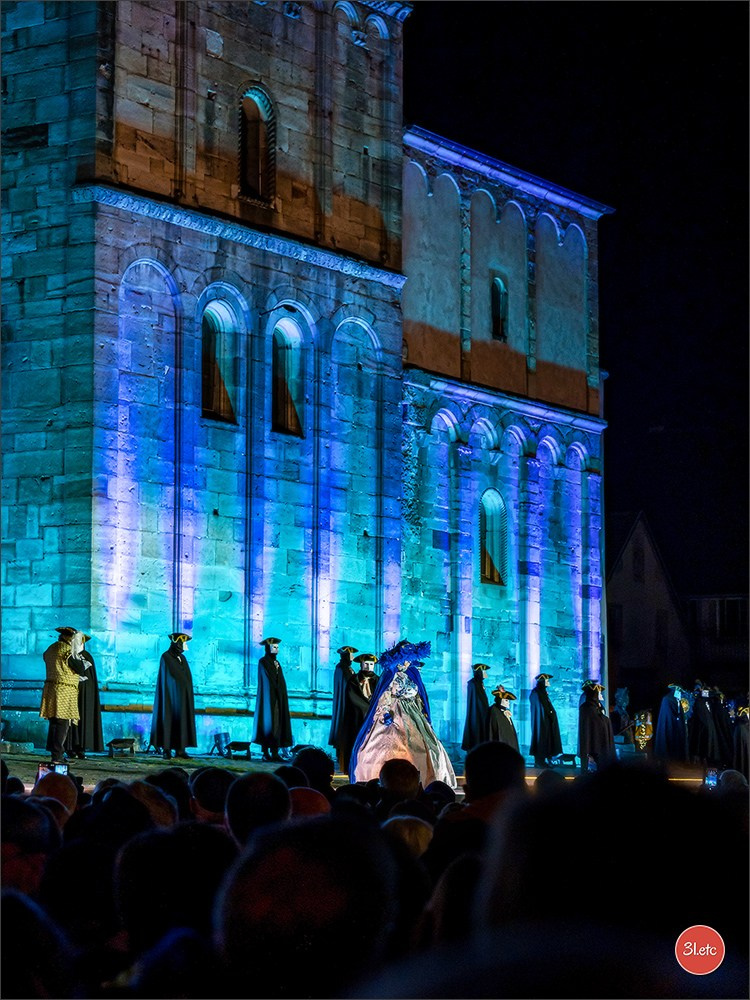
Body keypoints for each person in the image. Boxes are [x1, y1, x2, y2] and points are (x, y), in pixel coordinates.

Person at [349, 639, 457, 789]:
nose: (407, 663)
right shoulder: (390, 674)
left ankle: (424, 780)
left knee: (428, 748)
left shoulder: (412, 673)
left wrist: (422, 712)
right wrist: (385, 712)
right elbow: (383, 694)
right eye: (406, 659)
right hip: (394, 711)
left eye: (410, 659)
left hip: (413, 714)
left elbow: (420, 695)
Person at [40, 626, 84, 764]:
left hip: (51, 688)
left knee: (54, 722)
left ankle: (56, 754)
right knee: (62, 723)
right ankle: (57, 756)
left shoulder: (51, 648)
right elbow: (80, 668)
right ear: (69, 638)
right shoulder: (67, 651)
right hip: (64, 690)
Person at [150, 632, 197, 761]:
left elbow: (186, 677)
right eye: (180, 643)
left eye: (183, 644)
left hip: (182, 697)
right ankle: (167, 749)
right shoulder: (166, 657)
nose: (182, 646)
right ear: (175, 643)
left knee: (181, 721)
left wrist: (186, 690)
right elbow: (170, 677)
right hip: (169, 698)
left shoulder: (182, 658)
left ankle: (180, 749)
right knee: (169, 720)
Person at [251, 636, 293, 762]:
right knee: (268, 724)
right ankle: (266, 752)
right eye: (274, 647)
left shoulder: (277, 663)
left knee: (277, 724)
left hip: (278, 698)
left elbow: (280, 680)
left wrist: (281, 694)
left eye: (277, 647)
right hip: (269, 699)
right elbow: (267, 680)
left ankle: (275, 752)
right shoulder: (263, 662)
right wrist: (274, 693)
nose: (276, 649)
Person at [64, 632, 104, 760]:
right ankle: (70, 748)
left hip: (86, 693)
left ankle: (81, 748)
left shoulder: (87, 656)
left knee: (84, 719)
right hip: (72, 692)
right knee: (71, 721)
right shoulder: (68, 655)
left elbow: (90, 676)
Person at [341, 652, 380, 773]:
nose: (368, 667)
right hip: (357, 718)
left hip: (374, 718)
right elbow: (353, 698)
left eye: (371, 664)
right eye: (366, 664)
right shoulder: (354, 680)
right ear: (361, 665)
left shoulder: (378, 680)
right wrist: (367, 709)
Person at [328, 645, 357, 771]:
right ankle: (340, 757)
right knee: (341, 728)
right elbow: (347, 685)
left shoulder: (348, 668)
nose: (353, 657)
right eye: (351, 654)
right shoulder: (341, 668)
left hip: (350, 703)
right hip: (345, 704)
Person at [577, 680, 615, 771]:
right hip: (592, 740)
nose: (601, 695)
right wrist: (605, 719)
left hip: (599, 739)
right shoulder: (587, 707)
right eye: (599, 693)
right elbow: (594, 722)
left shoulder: (596, 706)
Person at [528, 672, 563, 767]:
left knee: (546, 738)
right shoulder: (536, 693)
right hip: (541, 722)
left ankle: (546, 759)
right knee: (541, 738)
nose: (548, 682)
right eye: (547, 680)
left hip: (545, 721)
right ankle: (540, 761)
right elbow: (541, 708)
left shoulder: (542, 692)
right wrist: (549, 715)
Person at [653, 682, 689, 764]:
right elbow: (667, 715)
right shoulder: (667, 699)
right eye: (679, 691)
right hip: (669, 726)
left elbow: (679, 713)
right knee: (667, 741)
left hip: (676, 726)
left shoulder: (677, 700)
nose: (680, 693)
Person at [461, 663, 490, 752]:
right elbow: (477, 700)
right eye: (484, 671)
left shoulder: (479, 683)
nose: (485, 674)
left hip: (482, 714)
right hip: (476, 714)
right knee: (476, 731)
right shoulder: (473, 684)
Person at [487, 685, 519, 751]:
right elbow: (496, 730)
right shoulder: (494, 711)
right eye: (506, 700)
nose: (509, 703)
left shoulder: (504, 711)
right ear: (500, 700)